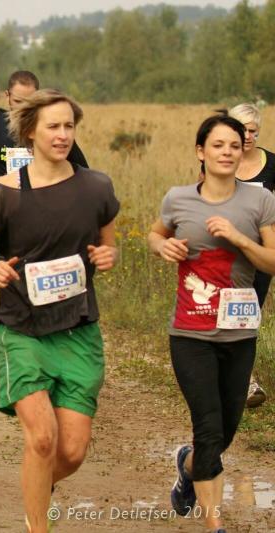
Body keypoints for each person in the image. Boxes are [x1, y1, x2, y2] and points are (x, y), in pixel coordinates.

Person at [0, 89, 119, 533]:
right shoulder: (3, 191)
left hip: (78, 331)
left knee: (71, 452)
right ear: (31, 131)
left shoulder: (97, 186)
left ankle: (37, 488)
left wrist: (108, 256)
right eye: (53, 126)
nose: (63, 135)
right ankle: (38, 525)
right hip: (23, 330)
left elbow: (109, 245)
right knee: (42, 439)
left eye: (69, 126)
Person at [147, 114, 275, 533]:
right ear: (200, 151)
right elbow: (155, 234)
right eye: (218, 145)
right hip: (191, 333)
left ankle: (188, 466)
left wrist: (239, 238)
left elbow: (272, 261)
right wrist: (164, 246)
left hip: (239, 333)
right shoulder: (179, 198)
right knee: (208, 426)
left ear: (243, 151)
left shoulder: (260, 200)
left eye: (234, 145)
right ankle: (214, 524)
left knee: (225, 431)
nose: (227, 152)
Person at [0, 71, 89, 229]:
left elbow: (83, 172)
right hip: (4, 215)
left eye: (30, 102)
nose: (23, 108)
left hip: (46, 215)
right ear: (7, 95)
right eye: (18, 101)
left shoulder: (52, 131)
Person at [227, 103, 275, 408]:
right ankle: (234, 379)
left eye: (252, 130)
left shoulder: (272, 164)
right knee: (225, 315)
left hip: (261, 255)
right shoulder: (221, 160)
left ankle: (244, 381)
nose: (247, 136)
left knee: (248, 316)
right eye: (241, 129)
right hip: (225, 254)